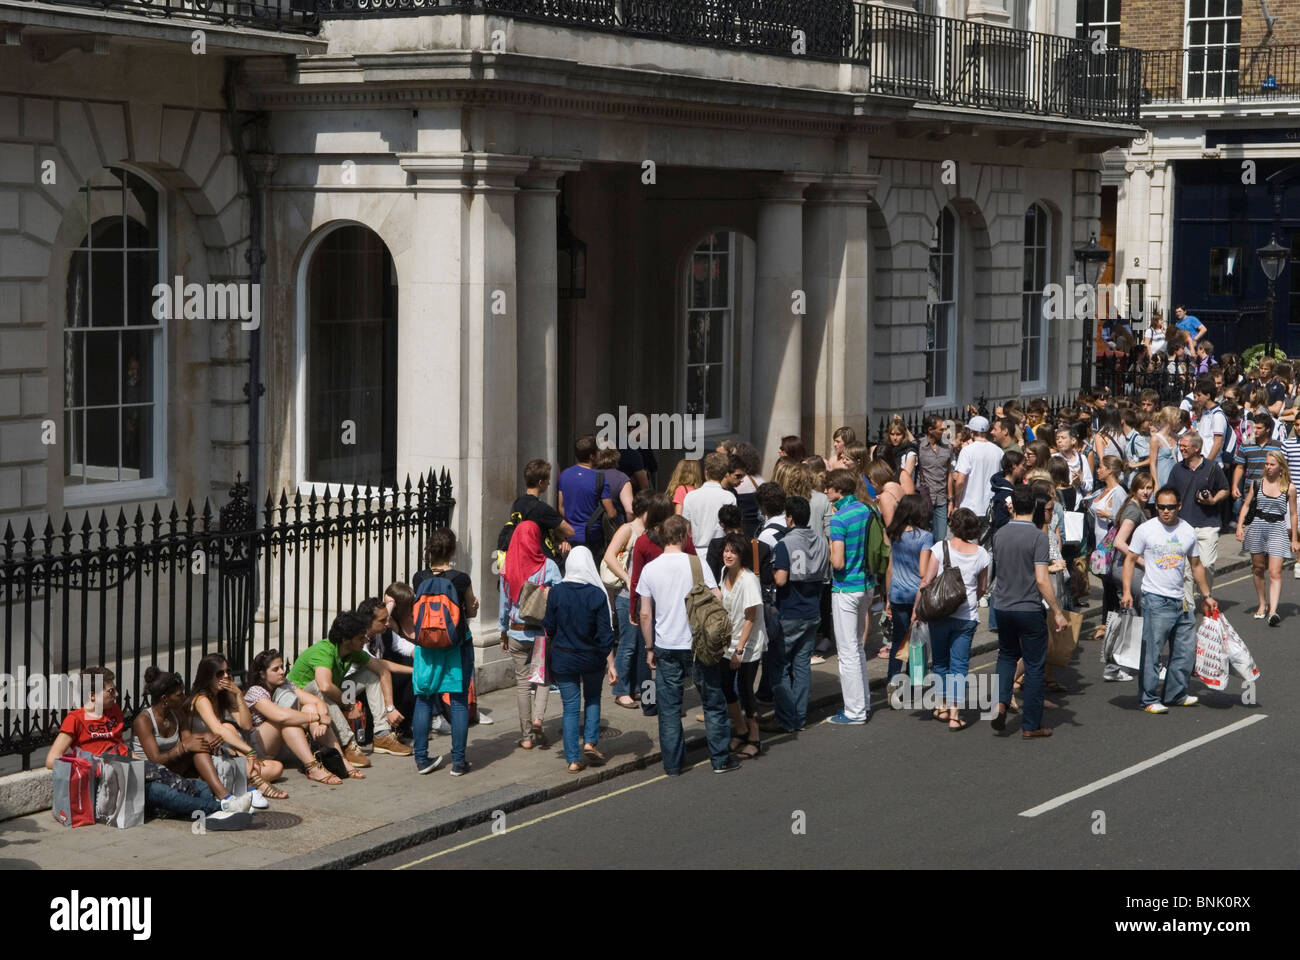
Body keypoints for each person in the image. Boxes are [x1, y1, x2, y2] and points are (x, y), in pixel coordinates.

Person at [45, 667, 253, 827]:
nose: (116, 694)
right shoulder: (75, 719)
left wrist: (136, 761)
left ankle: (207, 809)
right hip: (110, 778)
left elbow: (120, 745)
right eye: (111, 690)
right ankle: (220, 807)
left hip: (134, 768)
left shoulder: (113, 711)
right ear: (92, 696)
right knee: (159, 792)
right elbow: (52, 759)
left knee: (194, 785)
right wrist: (95, 764)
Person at [637, 515, 736, 775]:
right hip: (699, 644)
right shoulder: (697, 563)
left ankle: (673, 765)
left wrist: (649, 647)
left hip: (666, 645)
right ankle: (720, 759)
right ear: (683, 536)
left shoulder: (650, 569)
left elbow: (645, 614)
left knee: (669, 708)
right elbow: (716, 597)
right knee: (712, 701)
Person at [1121, 487, 1217, 713]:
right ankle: (1148, 698)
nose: (1165, 511)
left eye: (1170, 507)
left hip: (1181, 600)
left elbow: (1196, 565)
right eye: (1161, 507)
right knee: (1153, 652)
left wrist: (1207, 595)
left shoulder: (1187, 531)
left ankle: (1175, 694)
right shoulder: (1145, 530)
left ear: (1179, 506)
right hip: (1155, 600)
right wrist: (1126, 591)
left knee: (1185, 651)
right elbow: (1130, 560)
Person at [989, 487, 1070, 738]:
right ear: (1034, 508)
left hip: (1002, 606)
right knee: (1035, 665)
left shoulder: (1000, 534)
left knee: (1006, 656)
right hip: (1028, 608)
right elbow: (1042, 579)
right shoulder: (1038, 537)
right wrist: (1057, 611)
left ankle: (1001, 701)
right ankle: (1031, 725)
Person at [135, 666, 277, 804]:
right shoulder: (144, 721)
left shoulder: (177, 713)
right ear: (165, 699)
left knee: (200, 746)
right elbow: (156, 760)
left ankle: (241, 790)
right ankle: (227, 796)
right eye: (179, 695)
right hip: (154, 772)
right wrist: (183, 747)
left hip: (176, 766)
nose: (184, 698)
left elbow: (188, 740)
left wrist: (206, 738)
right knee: (197, 747)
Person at [286, 610, 409, 769]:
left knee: (370, 674)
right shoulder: (324, 651)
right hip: (299, 700)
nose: (365, 640)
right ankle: (347, 743)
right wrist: (349, 705)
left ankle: (381, 734)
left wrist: (412, 672)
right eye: (360, 638)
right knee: (322, 686)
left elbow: (381, 668)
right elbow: (324, 686)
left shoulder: (352, 651)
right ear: (345, 639)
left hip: (330, 694)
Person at [544, 545, 618, 772]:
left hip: (564, 658)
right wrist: (608, 661)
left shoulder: (556, 592)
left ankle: (573, 760)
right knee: (593, 698)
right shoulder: (597, 594)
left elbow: (549, 626)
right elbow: (607, 634)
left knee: (570, 708)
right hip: (591, 658)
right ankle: (589, 742)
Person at [916, 506, 989, 731]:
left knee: (940, 662)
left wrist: (916, 611)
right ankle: (955, 716)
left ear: (953, 526)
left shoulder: (940, 547)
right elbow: (982, 587)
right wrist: (968, 599)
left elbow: (927, 581)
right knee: (959, 665)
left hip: (940, 614)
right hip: (966, 616)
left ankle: (942, 705)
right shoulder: (982, 554)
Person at [412, 528, 477, 775]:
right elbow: (470, 612)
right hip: (456, 646)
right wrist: (474, 606)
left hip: (426, 648)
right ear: (452, 550)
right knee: (459, 700)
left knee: (424, 699)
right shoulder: (461, 579)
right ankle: (458, 763)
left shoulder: (419, 578)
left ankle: (421, 760)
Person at [241, 649, 354, 783]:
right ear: (262, 674)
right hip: (262, 747)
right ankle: (313, 768)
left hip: (286, 744)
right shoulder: (255, 691)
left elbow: (316, 701)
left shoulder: (285, 684)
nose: (282, 672)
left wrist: (323, 722)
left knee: (309, 708)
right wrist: (317, 718)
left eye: (282, 667)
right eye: (275, 669)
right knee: (287, 720)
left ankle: (340, 760)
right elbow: (280, 716)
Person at [765, 495, 828, 733]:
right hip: (813, 611)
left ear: (789, 518)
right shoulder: (821, 541)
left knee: (779, 666)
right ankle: (799, 717)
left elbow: (780, 579)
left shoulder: (785, 543)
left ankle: (786, 718)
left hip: (789, 612)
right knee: (802, 666)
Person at [186, 653, 286, 802]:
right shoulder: (201, 699)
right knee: (228, 727)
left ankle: (244, 779)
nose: (226, 676)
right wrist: (248, 750)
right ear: (208, 676)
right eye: (220, 673)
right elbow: (218, 729)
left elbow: (246, 724)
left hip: (224, 751)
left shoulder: (222, 695)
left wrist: (238, 694)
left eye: (228, 672)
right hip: (205, 756)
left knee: (276, 768)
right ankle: (254, 783)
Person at [498, 518, 561, 750]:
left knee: (522, 683)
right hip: (541, 634)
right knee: (541, 678)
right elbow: (559, 596)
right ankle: (538, 719)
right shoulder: (549, 566)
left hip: (516, 632)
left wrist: (503, 631)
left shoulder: (507, 567)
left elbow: (504, 605)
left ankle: (526, 737)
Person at [824, 468, 872, 726]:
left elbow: (838, 562)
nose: (825, 491)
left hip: (846, 589)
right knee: (857, 647)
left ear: (838, 490)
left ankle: (854, 711)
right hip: (867, 585)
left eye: (828, 487)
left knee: (847, 652)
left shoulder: (839, 518)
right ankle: (862, 700)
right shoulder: (867, 510)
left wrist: (829, 548)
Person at [717, 532, 768, 759]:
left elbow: (751, 617)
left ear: (741, 555)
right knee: (726, 686)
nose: (728, 555)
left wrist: (739, 649)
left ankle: (755, 739)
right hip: (728, 642)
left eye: (733, 551)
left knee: (746, 690)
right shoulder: (724, 573)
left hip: (747, 645)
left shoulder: (749, 580)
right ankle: (740, 729)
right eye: (726, 550)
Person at [1236, 450, 1300, 625]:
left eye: (1272, 464)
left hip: (1278, 528)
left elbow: (1293, 514)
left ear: (1281, 466)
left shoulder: (1289, 487)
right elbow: (1247, 504)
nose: (1268, 467)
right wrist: (1240, 526)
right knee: (1258, 568)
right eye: (1266, 464)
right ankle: (1262, 604)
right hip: (1258, 526)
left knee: (1275, 572)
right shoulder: (1257, 483)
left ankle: (1273, 611)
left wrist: (1294, 538)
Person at [604, 489, 654, 709]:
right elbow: (609, 555)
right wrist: (627, 578)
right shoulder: (628, 529)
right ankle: (621, 690)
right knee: (629, 643)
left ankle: (639, 690)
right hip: (628, 596)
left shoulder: (652, 531)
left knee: (644, 646)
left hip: (645, 597)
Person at [1168, 431, 1228, 606]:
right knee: (1185, 571)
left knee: (1207, 564)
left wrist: (1214, 499)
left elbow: (1225, 489)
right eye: (1181, 446)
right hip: (1184, 525)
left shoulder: (1211, 467)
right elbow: (1170, 493)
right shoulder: (1177, 469)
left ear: (1197, 448)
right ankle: (1188, 606)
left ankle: (1205, 596)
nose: (1182, 448)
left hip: (1208, 524)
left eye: (1185, 446)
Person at [882, 493, 933, 686]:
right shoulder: (926, 537)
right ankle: (915, 684)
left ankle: (893, 683)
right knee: (917, 642)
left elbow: (889, 569)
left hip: (897, 594)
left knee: (898, 640)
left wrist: (887, 598)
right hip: (916, 596)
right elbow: (923, 572)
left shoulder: (895, 534)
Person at [356, 595, 415, 743]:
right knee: (378, 674)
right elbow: (379, 665)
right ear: (368, 623)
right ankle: (378, 730)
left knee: (411, 662)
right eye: (382, 621)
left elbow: (405, 646)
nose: (388, 623)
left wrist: (422, 657)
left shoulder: (383, 631)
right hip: (354, 689)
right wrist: (415, 670)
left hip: (377, 678)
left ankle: (401, 726)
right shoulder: (357, 639)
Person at [510, 459, 575, 562]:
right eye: (548, 480)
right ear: (541, 483)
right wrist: (560, 536)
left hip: (522, 558)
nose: (549, 483)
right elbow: (570, 531)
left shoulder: (517, 504)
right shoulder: (542, 509)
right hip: (541, 561)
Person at [557, 435, 613, 552]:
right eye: (597, 452)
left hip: (570, 535)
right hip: (593, 539)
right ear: (592, 456)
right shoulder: (600, 478)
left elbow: (561, 507)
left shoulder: (564, 475)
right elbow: (611, 513)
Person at [681, 451, 737, 552]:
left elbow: (685, 528)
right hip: (721, 552)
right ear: (724, 474)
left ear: (705, 471)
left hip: (697, 551)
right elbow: (732, 530)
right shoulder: (729, 497)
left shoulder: (690, 496)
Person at [952, 416, 1004, 523]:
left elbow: (960, 481)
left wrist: (956, 503)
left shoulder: (967, 450)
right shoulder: (998, 451)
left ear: (971, 432)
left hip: (969, 507)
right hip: (990, 506)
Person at [594, 445, 635, 525]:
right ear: (615, 455)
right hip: (614, 528)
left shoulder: (586, 475)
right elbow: (630, 510)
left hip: (589, 528)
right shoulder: (621, 478)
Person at [877, 417, 919, 495]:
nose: (895, 438)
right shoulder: (887, 450)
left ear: (904, 435)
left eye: (898, 434)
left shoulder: (910, 453)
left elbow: (904, 478)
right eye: (892, 434)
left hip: (905, 493)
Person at [1150, 405, 1180, 488]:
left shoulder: (1176, 437)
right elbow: (1152, 463)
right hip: (1161, 478)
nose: (1179, 421)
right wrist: (1155, 484)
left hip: (1175, 479)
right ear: (1170, 419)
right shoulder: (1155, 439)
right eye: (1177, 418)